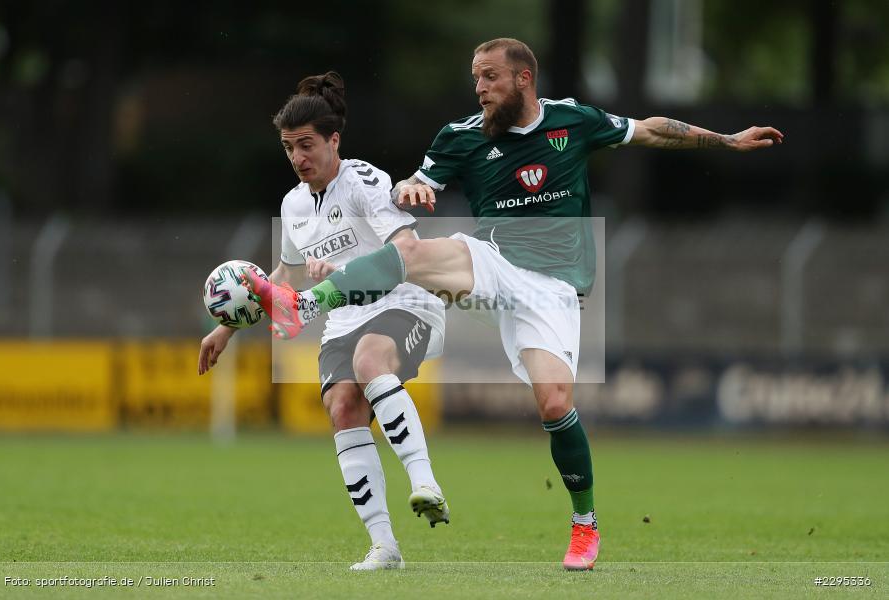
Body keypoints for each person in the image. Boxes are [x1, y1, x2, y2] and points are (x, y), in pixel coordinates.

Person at [244, 39, 784, 571]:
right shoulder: (461, 136)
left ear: (523, 78)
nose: (478, 88)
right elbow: (418, 180)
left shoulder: (573, 121)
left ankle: (584, 523)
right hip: (493, 260)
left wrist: (726, 140)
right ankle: (306, 303)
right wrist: (411, 188)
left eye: (489, 77)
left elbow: (649, 129)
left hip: (551, 288)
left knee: (553, 402)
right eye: (475, 77)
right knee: (410, 252)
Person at [198, 71, 449, 571]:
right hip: (343, 320)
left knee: (369, 357)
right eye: (289, 147)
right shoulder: (293, 203)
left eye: (306, 145)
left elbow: (406, 248)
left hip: (406, 303)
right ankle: (384, 547)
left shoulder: (365, 182)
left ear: (334, 140)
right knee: (341, 406)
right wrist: (227, 327)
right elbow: (283, 275)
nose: (297, 158)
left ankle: (425, 482)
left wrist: (342, 273)